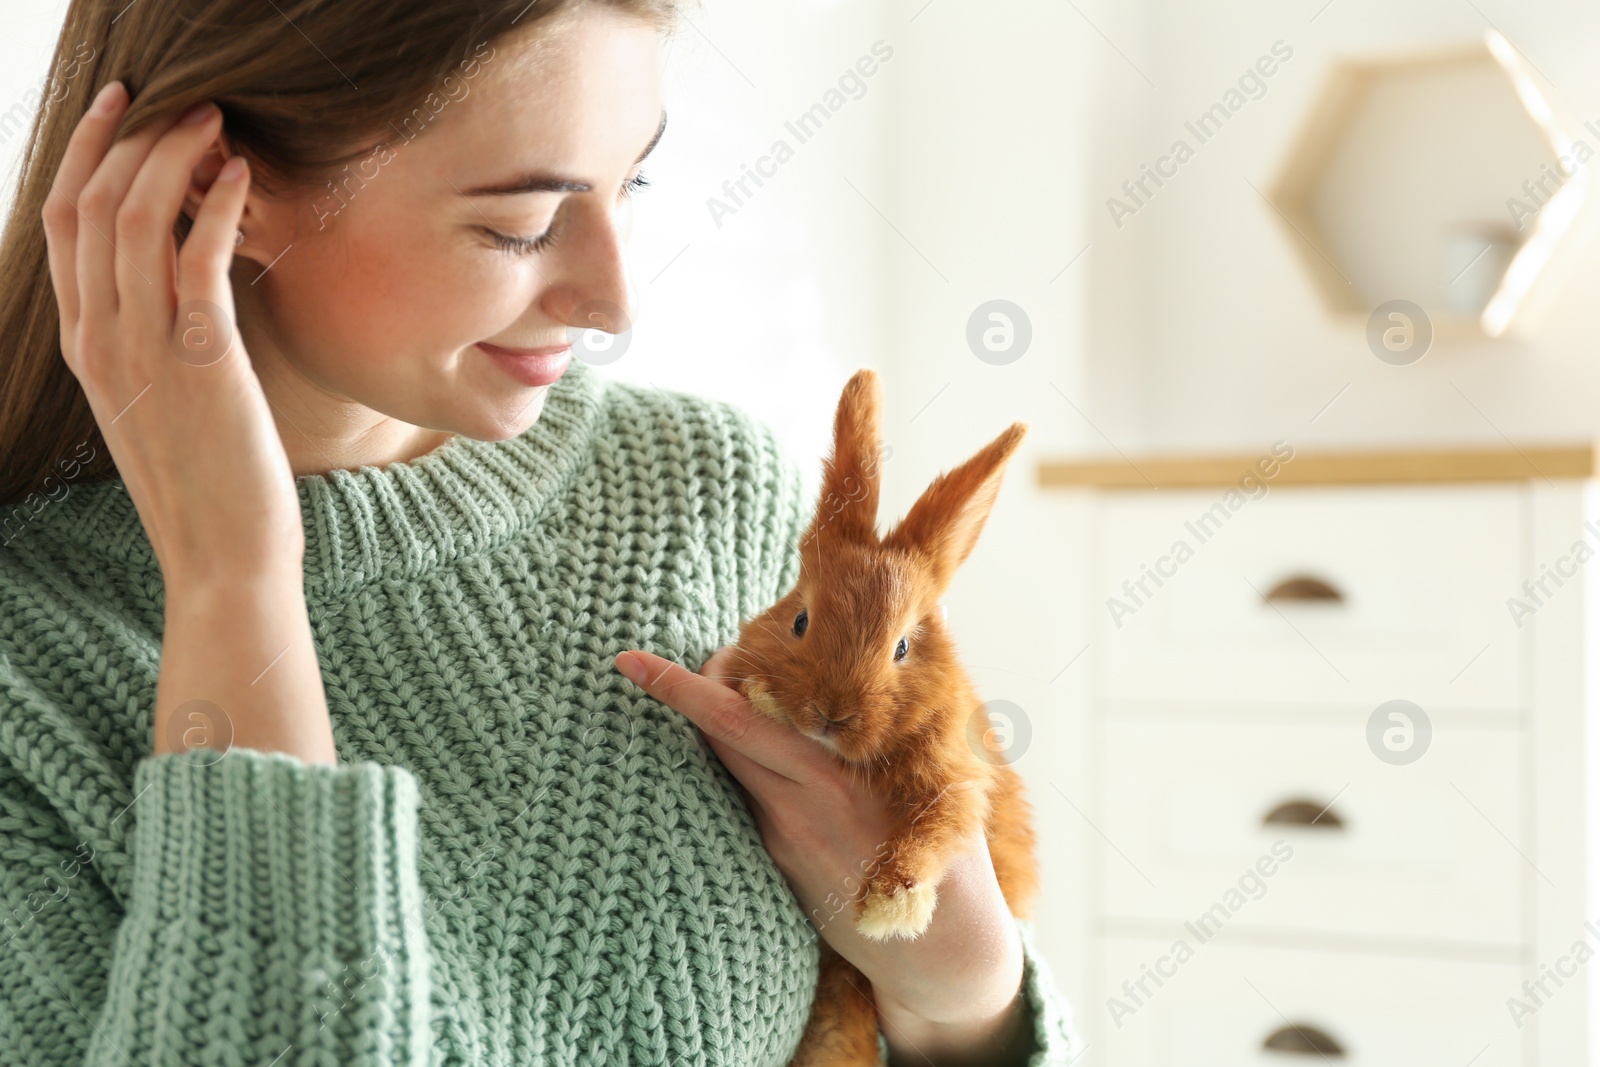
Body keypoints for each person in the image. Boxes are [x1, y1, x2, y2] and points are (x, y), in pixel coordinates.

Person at [0, 0, 1081, 1063]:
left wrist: (968, 992)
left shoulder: (711, 493)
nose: (615, 301)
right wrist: (234, 586)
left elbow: (919, 970)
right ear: (212, 186)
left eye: (632, 183)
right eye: (519, 221)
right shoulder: (26, 665)